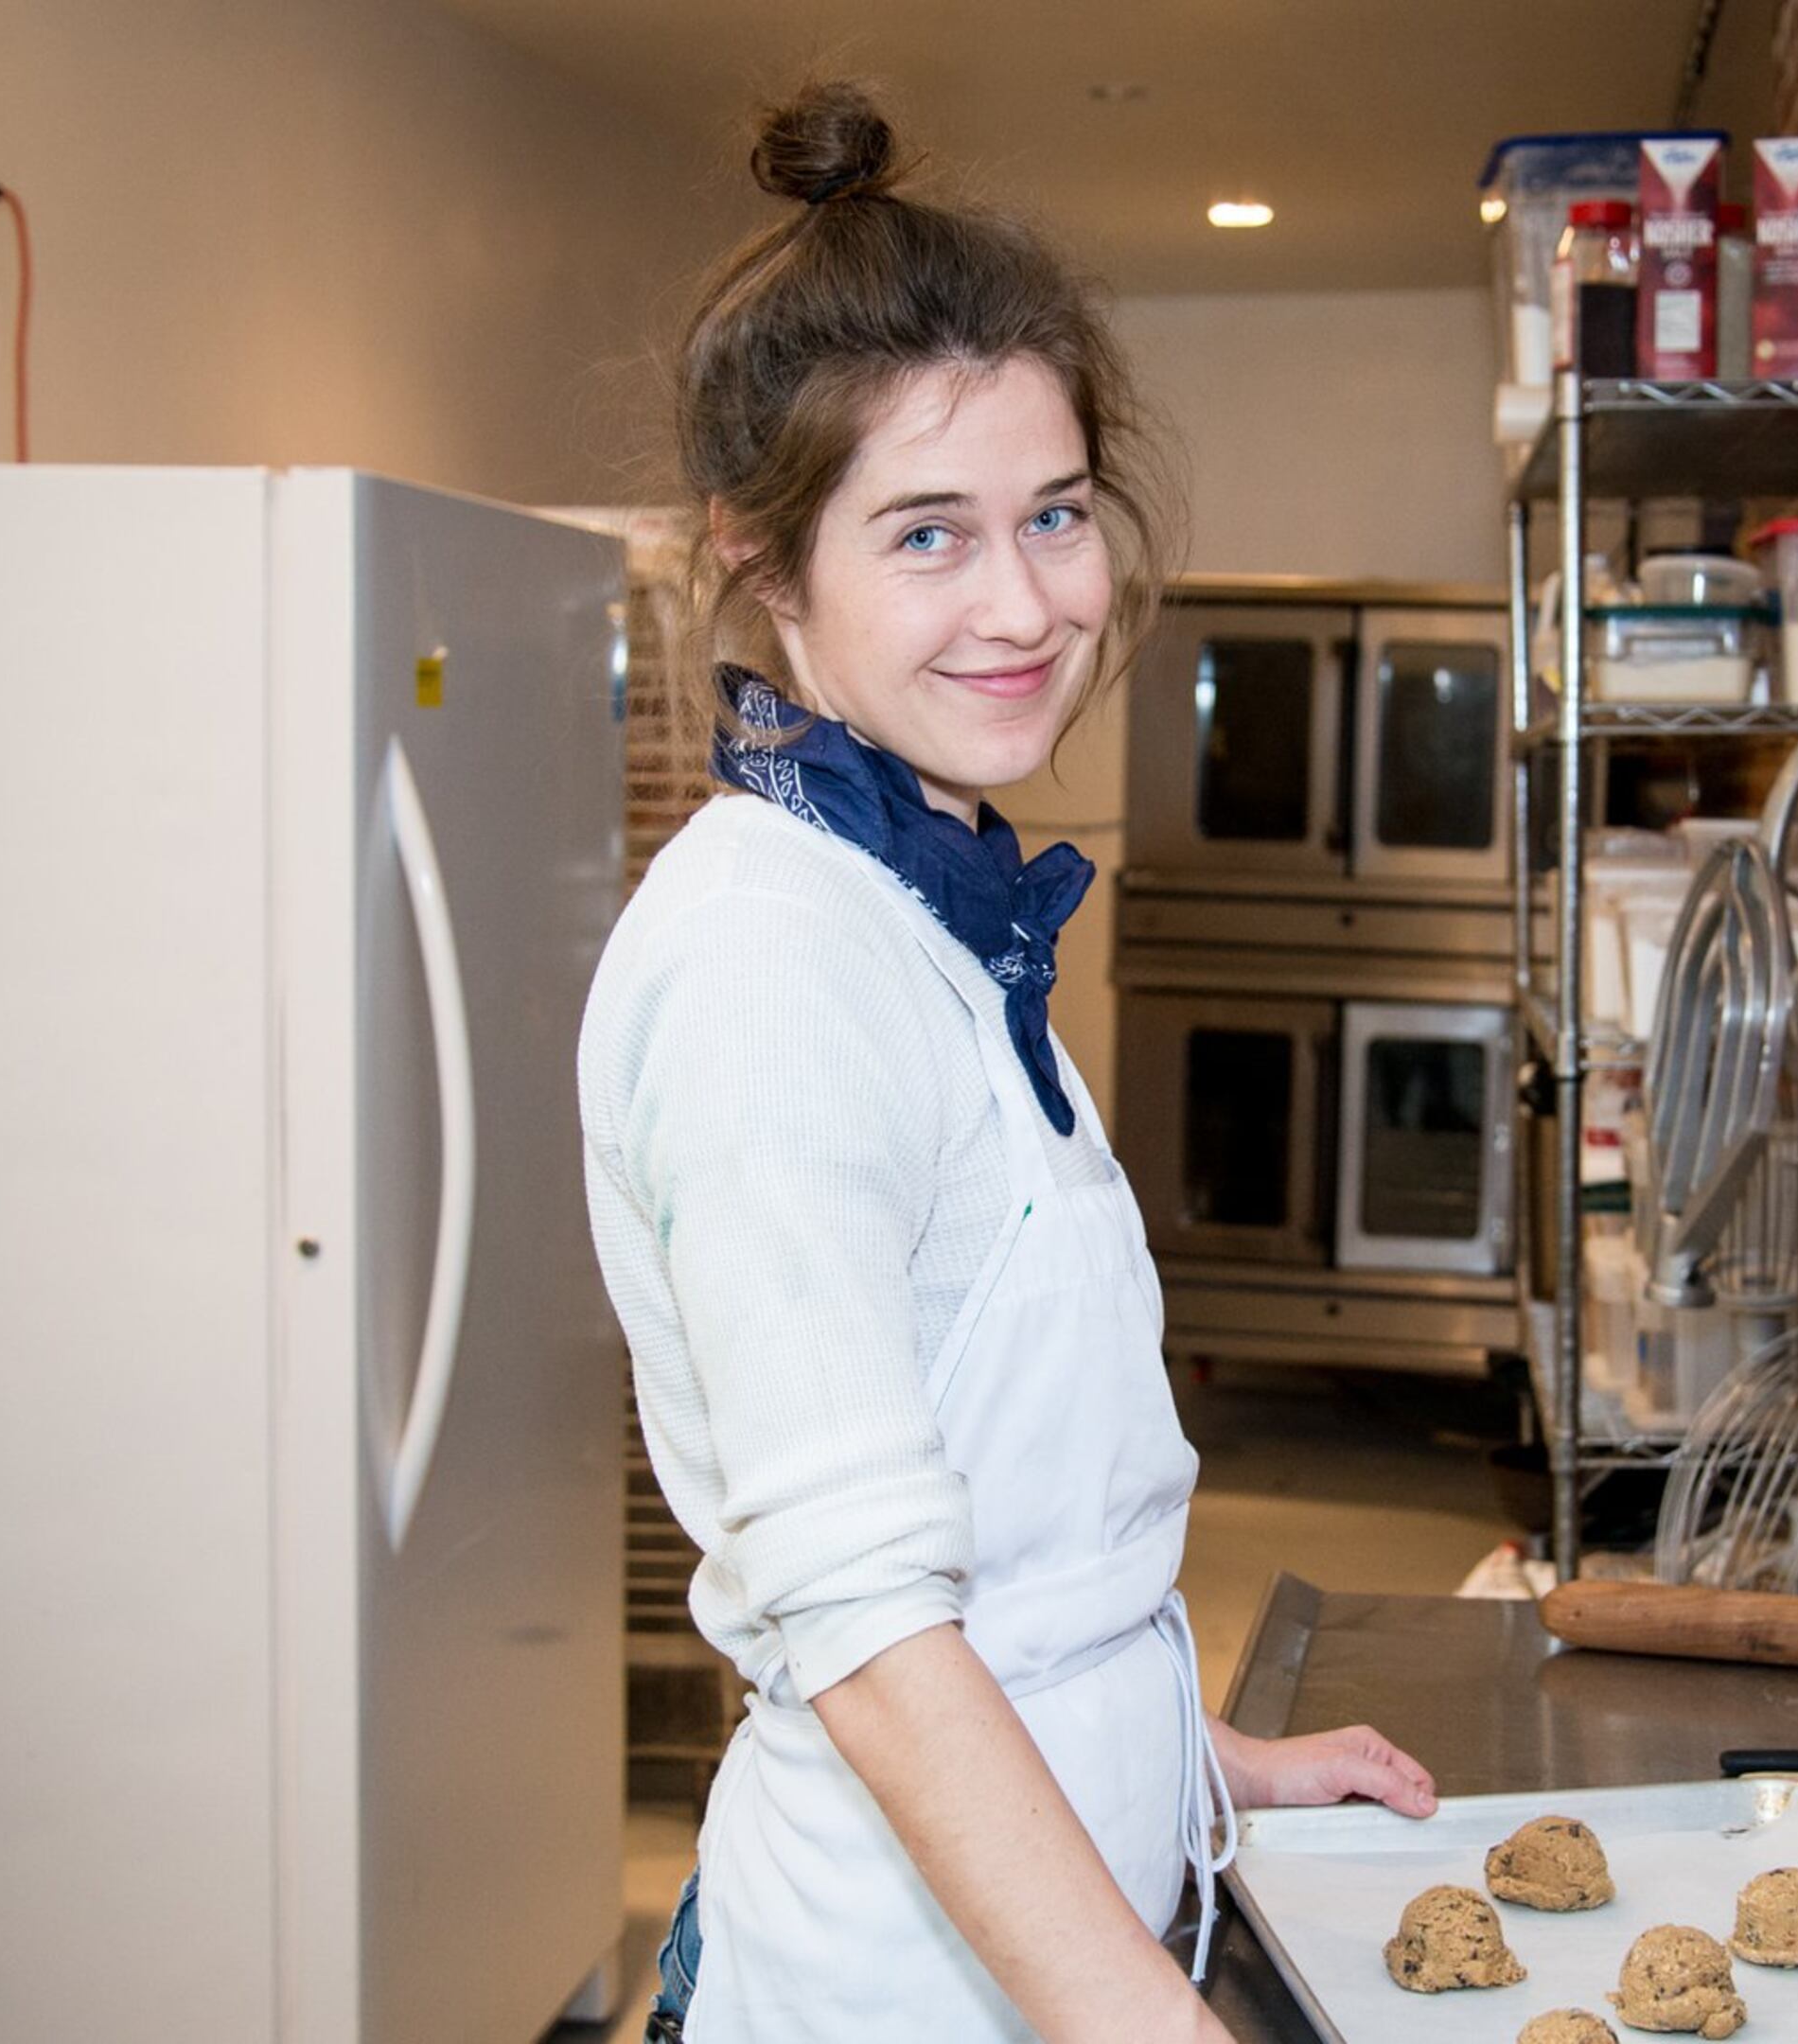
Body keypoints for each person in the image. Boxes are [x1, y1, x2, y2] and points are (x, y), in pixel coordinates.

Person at [580, 81, 1438, 2044]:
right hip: (899, 1996)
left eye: (1054, 513)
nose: (1029, 601)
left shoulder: (919, 906)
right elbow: (876, 1634)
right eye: (927, 533)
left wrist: (1197, 1762)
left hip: (1057, 1931)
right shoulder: (769, 967)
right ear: (768, 564)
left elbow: (1016, 1534)